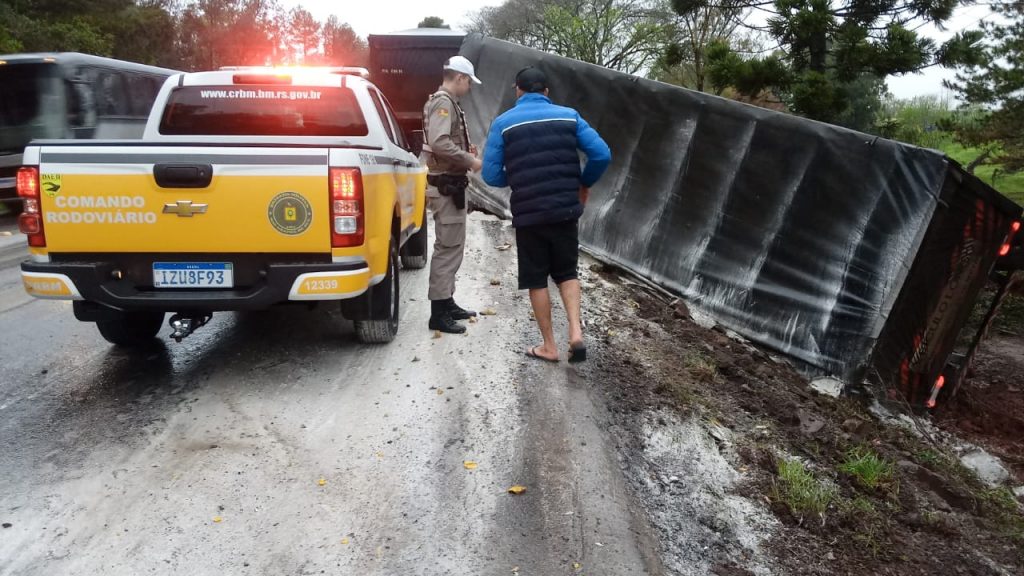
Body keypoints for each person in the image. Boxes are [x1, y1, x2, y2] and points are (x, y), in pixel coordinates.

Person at [481, 66, 611, 363]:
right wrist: (583, 182)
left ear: (518, 90)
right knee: (567, 272)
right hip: (565, 209)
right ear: (547, 92)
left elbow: (490, 174)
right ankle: (576, 332)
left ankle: (550, 346)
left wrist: (517, 177)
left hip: (529, 213)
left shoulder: (503, 123)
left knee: (537, 278)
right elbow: (602, 154)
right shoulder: (570, 116)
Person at [420, 55, 484, 334]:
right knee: (447, 249)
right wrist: (470, 161)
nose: (469, 87)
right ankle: (438, 313)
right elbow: (439, 142)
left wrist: (465, 155)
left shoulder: (445, 102)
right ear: (460, 78)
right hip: (446, 186)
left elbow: (445, 143)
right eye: (468, 82)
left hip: (451, 185)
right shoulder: (444, 103)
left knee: (452, 246)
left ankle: (446, 302)